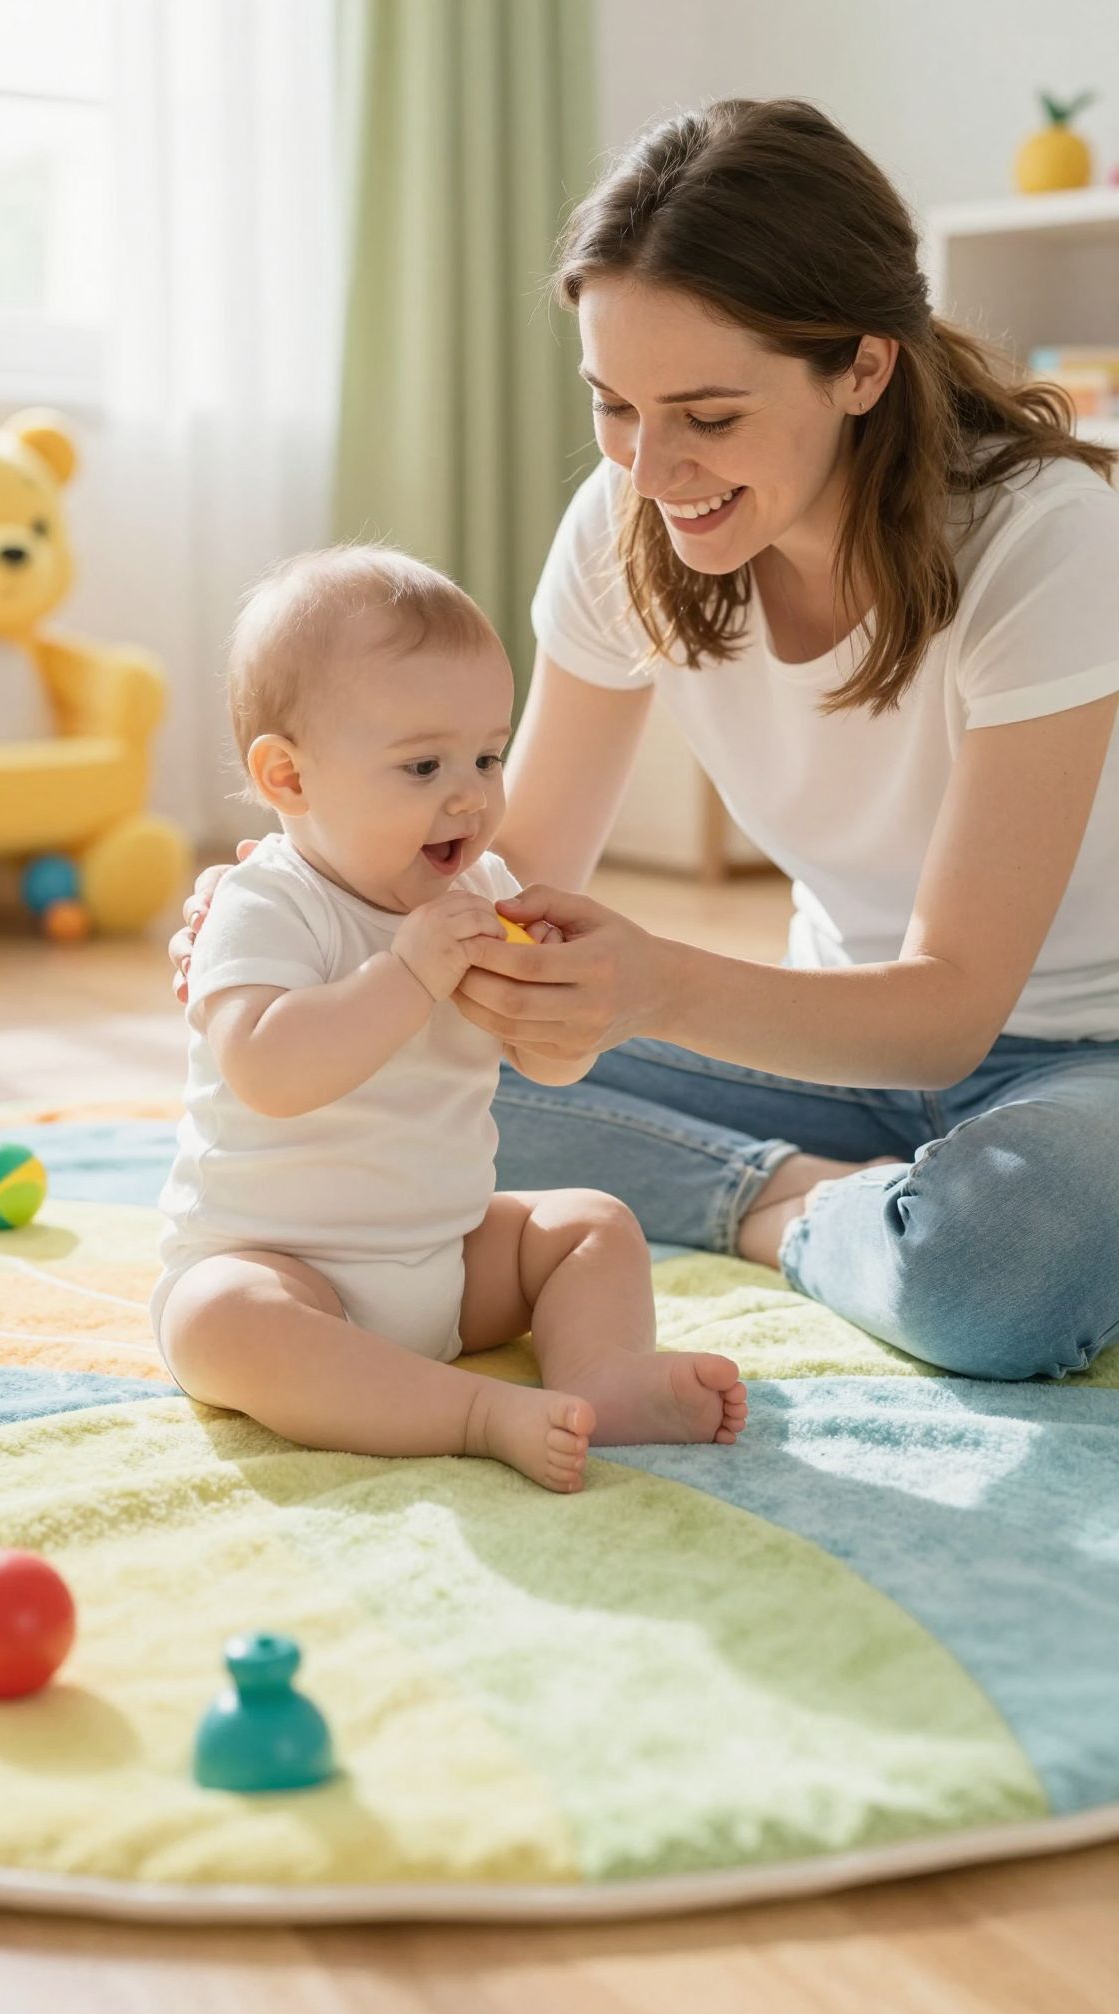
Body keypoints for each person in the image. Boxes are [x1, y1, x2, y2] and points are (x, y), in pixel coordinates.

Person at [173, 98, 1119, 1384]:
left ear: (863, 367)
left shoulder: (1040, 533)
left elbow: (952, 1010)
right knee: (387, 1073)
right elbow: (506, 881)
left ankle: (786, 1212)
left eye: (709, 416)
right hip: (828, 1052)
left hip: (1075, 1057)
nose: (651, 465)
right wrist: (301, 915)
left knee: (1002, 1268)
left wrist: (655, 984)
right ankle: (811, 1195)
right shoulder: (624, 526)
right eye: (614, 404)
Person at [152, 546, 746, 1491]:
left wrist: (551, 1016)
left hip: (448, 1261)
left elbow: (547, 1069)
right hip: (286, 1265)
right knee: (219, 1322)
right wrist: (408, 974)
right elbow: (268, 1072)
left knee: (592, 1224)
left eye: (488, 755)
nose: (469, 794)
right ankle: (476, 1414)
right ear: (289, 778)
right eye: (424, 764)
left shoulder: (485, 889)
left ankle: (601, 1378)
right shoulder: (266, 903)